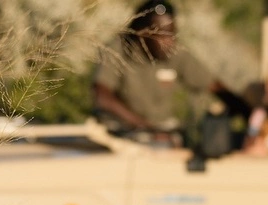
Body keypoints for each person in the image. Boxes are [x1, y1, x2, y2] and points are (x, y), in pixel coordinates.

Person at [92, 0, 250, 146]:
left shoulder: (175, 52)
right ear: (142, 32)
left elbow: (214, 86)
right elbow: (103, 97)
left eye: (172, 34)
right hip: (121, 131)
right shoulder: (117, 49)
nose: (169, 41)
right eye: (161, 34)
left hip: (163, 131)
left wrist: (251, 114)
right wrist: (145, 128)